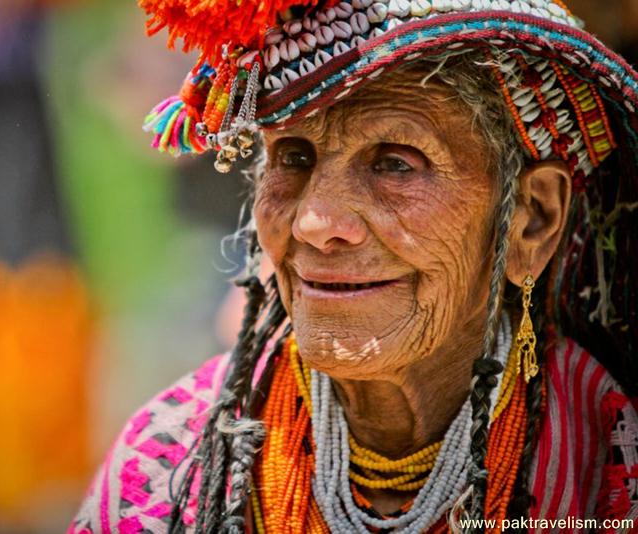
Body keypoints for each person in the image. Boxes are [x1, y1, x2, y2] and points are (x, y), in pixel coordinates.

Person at [69, 0, 638, 531]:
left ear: (531, 219)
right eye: (293, 157)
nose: (314, 223)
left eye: (395, 164)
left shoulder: (611, 461)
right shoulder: (168, 467)